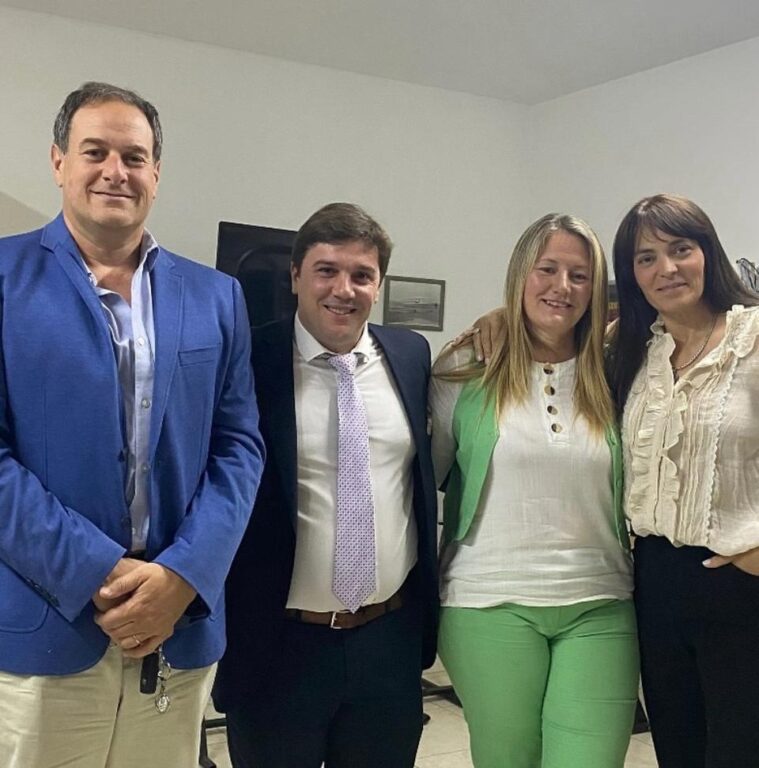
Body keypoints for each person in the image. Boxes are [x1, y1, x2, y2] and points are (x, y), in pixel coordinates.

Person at [0, 81, 265, 768]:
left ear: (156, 172)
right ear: (58, 161)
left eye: (134, 156)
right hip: (45, 628)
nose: (115, 171)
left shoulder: (216, 296)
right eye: (95, 152)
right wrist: (97, 570)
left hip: (178, 630)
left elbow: (238, 449)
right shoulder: (4, 278)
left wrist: (183, 575)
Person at [214, 202, 439, 768]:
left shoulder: (410, 355)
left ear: (378, 285)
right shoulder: (248, 359)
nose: (344, 289)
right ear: (296, 276)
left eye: (362, 275)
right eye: (326, 271)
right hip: (277, 645)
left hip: (387, 640)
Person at [430, 213, 639, 768]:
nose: (561, 286)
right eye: (547, 269)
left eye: (579, 275)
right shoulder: (465, 367)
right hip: (487, 602)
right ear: (520, 273)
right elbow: (427, 478)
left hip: (601, 603)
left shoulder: (616, 371)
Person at [608, 194, 759, 768]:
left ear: (707, 253)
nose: (666, 268)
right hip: (654, 583)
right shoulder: (629, 350)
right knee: (679, 749)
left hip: (740, 582)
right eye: (646, 258)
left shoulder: (752, 338)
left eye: (680, 249)